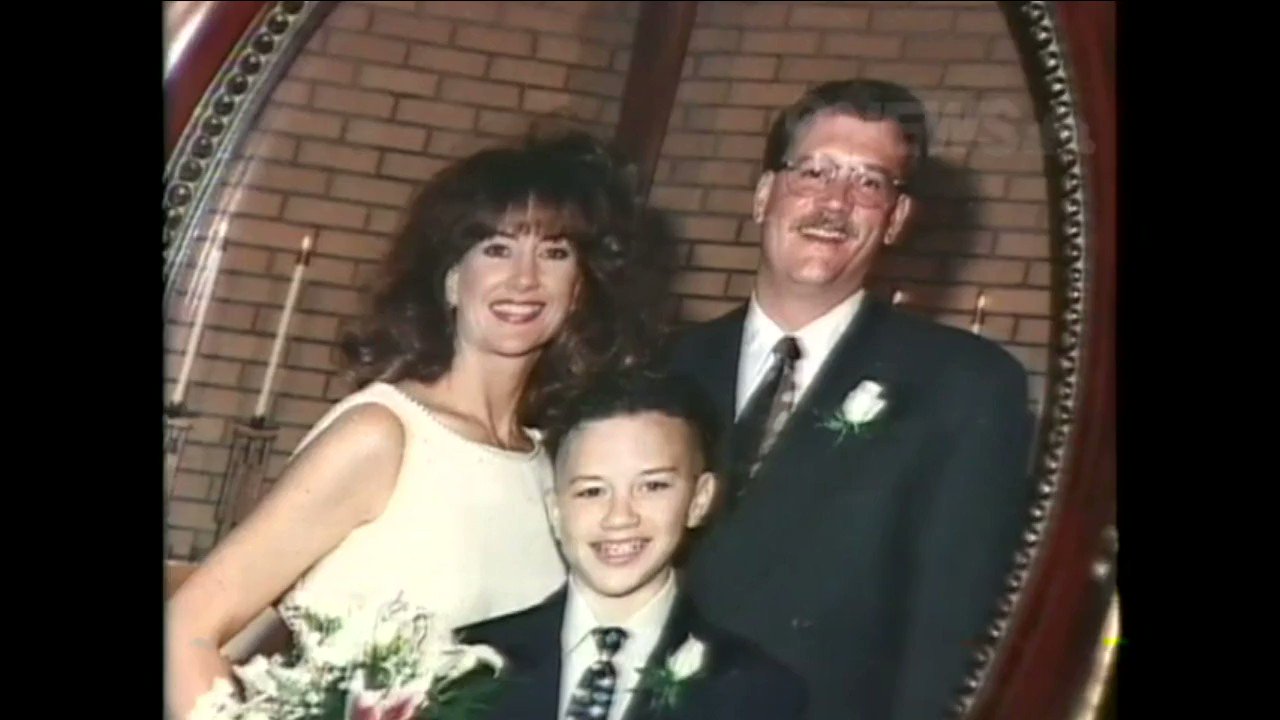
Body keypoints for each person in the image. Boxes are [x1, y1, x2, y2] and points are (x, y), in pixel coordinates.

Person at [165, 131, 669, 720]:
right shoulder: (383, 435)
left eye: (555, 253)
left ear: (580, 289)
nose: (525, 279)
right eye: (496, 248)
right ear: (451, 277)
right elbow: (187, 629)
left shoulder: (550, 466)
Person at [663, 79, 1036, 720]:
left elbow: (953, 634)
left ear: (895, 220)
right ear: (762, 196)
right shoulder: (664, 365)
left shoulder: (965, 386)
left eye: (870, 183)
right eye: (814, 171)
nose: (835, 203)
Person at [457, 370, 807, 720]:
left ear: (699, 500)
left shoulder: (753, 691)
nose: (619, 517)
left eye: (652, 486)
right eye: (592, 491)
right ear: (556, 510)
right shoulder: (469, 665)